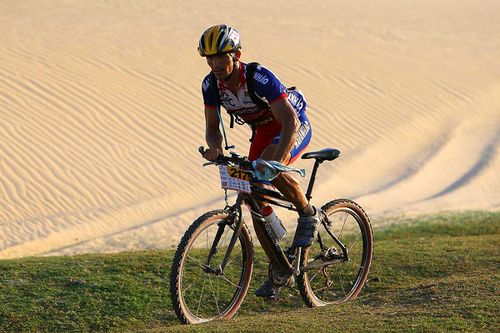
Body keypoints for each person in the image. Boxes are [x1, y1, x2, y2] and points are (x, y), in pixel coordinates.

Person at [198, 24, 319, 297]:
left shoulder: (258, 77)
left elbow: (289, 120)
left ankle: (307, 212)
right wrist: (215, 148)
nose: (215, 63)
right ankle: (281, 269)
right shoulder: (210, 85)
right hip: (264, 131)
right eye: (209, 58)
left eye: (221, 56)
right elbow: (212, 128)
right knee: (253, 197)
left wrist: (274, 162)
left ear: (237, 55)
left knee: (269, 168)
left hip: (290, 124)